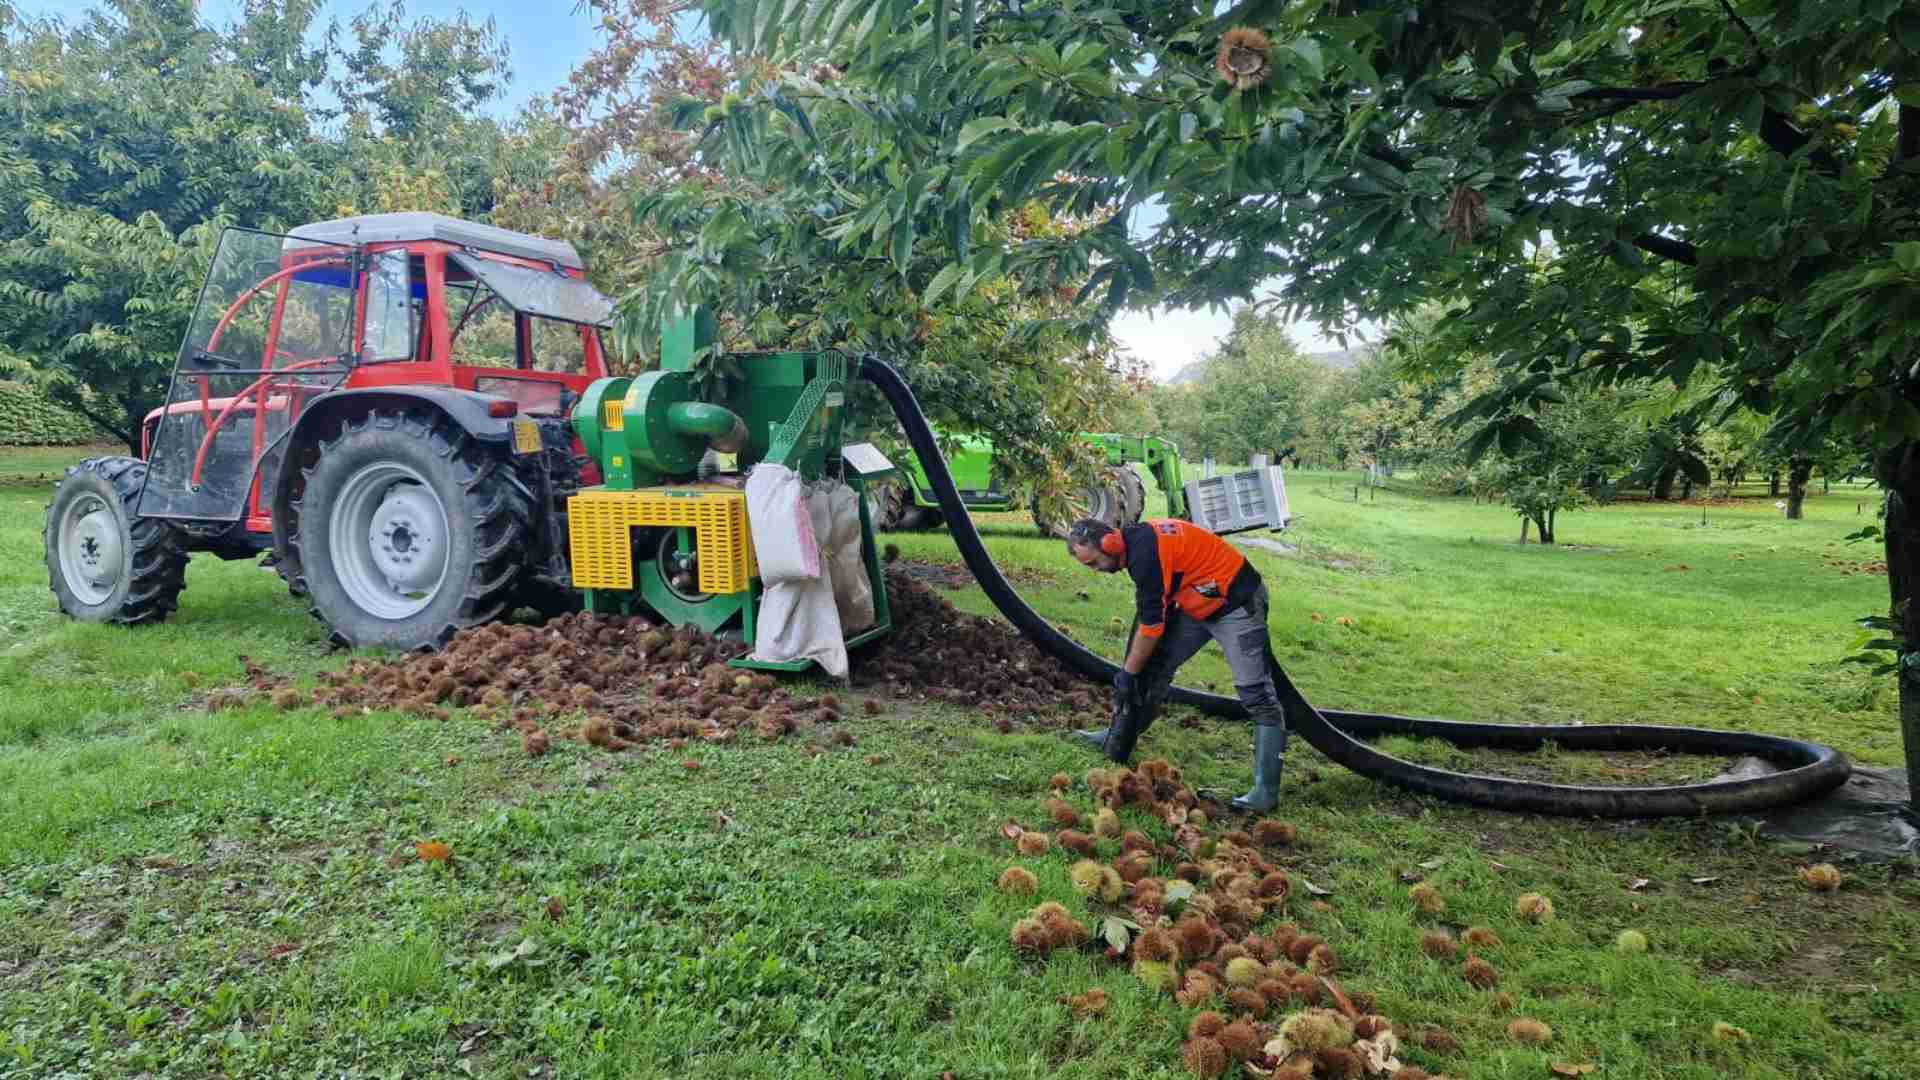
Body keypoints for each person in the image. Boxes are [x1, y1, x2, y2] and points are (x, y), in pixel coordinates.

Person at [1065, 517, 1287, 813]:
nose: (1096, 571)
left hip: (1236, 602)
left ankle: (1265, 791)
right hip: (1197, 600)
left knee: (1256, 694)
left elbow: (1151, 627)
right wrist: (1134, 674)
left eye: (1094, 563)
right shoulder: (1136, 546)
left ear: (1111, 544)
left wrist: (1127, 674)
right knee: (1153, 668)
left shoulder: (1143, 555)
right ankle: (1119, 733)